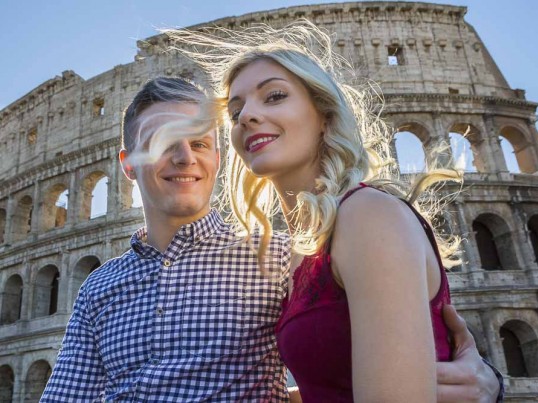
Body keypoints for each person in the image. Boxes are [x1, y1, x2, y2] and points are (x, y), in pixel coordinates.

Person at [41, 75, 501, 402]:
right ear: (127, 163)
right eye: (162, 142)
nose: (185, 157)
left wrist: (489, 382)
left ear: (218, 157)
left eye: (199, 143)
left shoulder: (284, 259)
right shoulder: (98, 289)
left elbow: (369, 352)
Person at [167, 20, 504, 402]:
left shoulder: (367, 216)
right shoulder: (302, 248)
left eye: (274, 96)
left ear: (324, 115)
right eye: (236, 110)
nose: (246, 116)